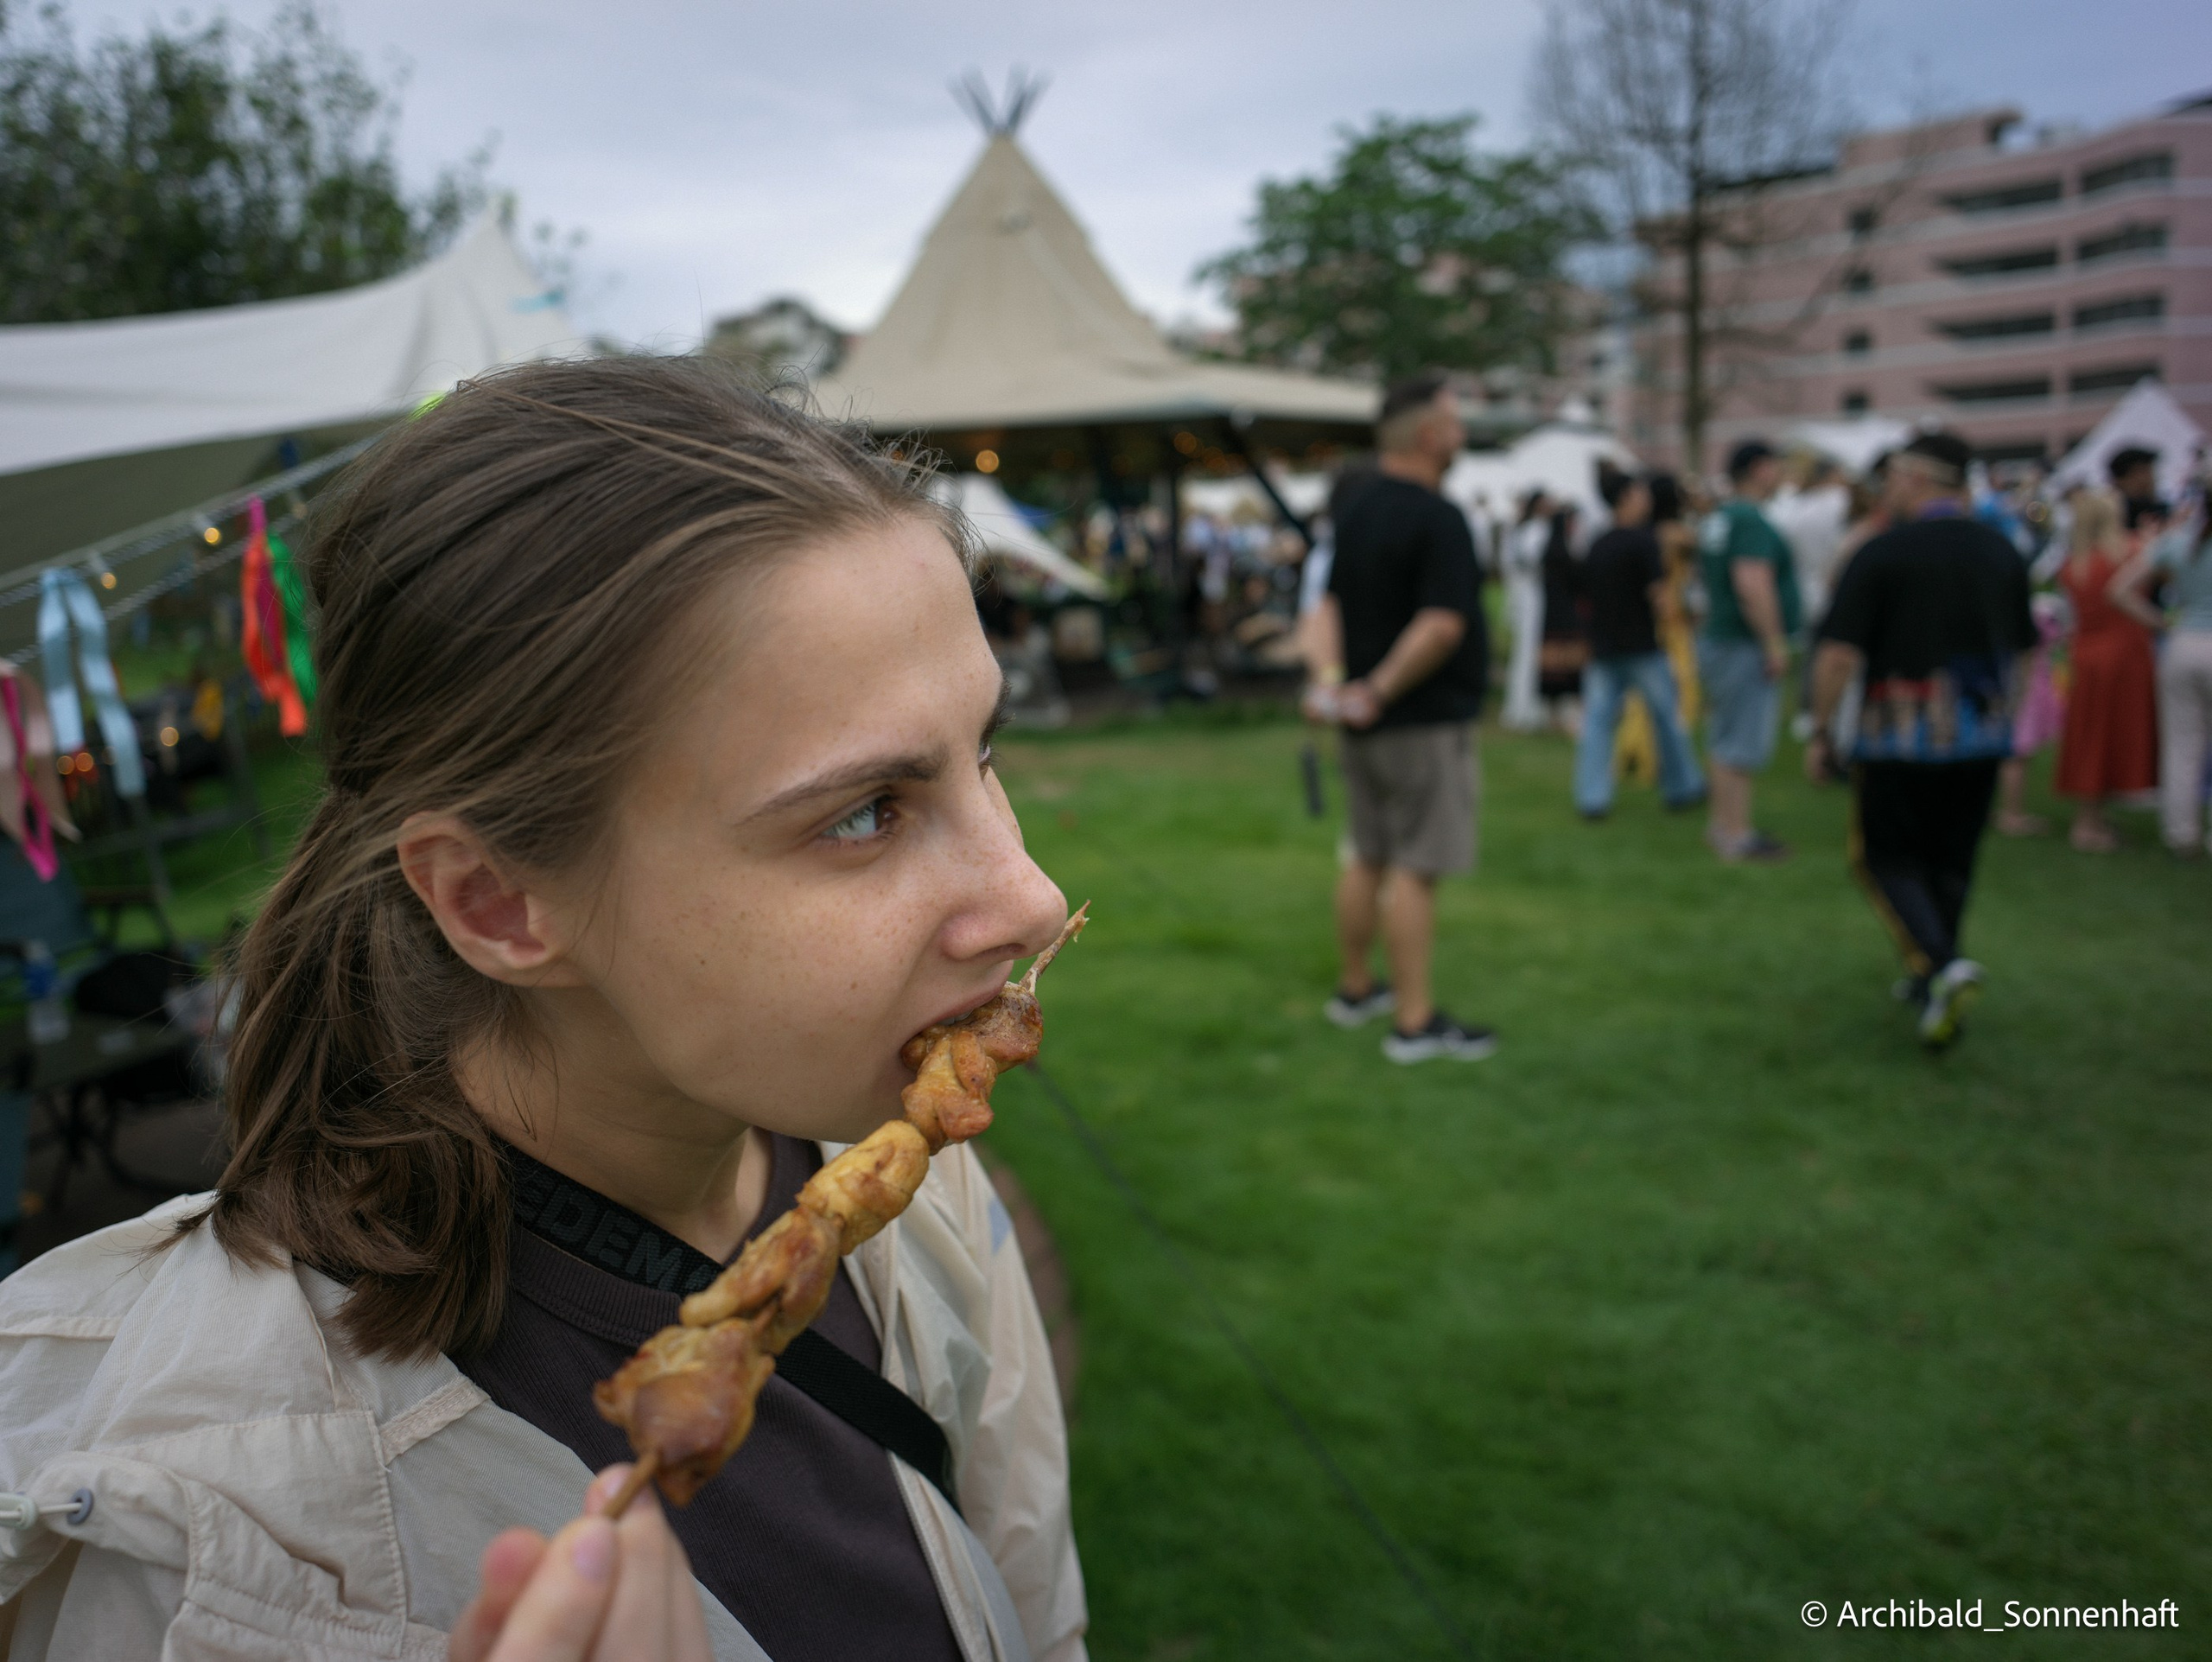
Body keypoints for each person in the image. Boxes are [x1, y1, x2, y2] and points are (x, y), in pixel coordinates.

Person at [0, 359, 1088, 1661]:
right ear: (501, 902)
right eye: (864, 812)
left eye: (984, 752)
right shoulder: (183, 1536)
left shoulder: (920, 1196)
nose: (1030, 897)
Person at [1806, 430, 2037, 1051]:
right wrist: (2010, 718)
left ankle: (1938, 964)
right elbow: (2025, 649)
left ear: (1914, 478)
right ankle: (1933, 975)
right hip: (1980, 731)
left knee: (1884, 856)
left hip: (1898, 733)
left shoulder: (1885, 552)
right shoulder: (2002, 550)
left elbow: (1837, 653)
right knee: (1950, 861)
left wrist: (1820, 727)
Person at [1305, 371, 1497, 1063]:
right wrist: (1378, 690)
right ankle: (1415, 1024)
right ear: (1427, 433)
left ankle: (1357, 989)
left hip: (1364, 722)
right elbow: (1443, 625)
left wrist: (1334, 685)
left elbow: (1324, 608)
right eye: (1454, 419)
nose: (1462, 432)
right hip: (1419, 720)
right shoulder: (1439, 515)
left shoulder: (1354, 509)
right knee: (1415, 867)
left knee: (1368, 854)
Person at [1573, 472, 1705, 818]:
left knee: (1598, 724)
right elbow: (1659, 595)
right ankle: (1682, 786)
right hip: (1642, 646)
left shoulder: (1598, 544)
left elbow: (1587, 597)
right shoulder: (1643, 542)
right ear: (1628, 498)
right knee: (1666, 717)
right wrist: (1679, 623)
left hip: (1604, 646)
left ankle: (1592, 798)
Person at [1697, 439, 1803, 861]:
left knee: (1724, 734)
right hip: (1741, 642)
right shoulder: (1750, 520)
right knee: (1740, 740)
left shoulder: (1722, 516)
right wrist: (1773, 641)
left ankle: (1722, 825)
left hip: (1720, 638)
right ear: (1760, 468)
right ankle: (1735, 833)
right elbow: (1752, 585)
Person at [2054, 488, 2161, 852]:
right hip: (2125, 653)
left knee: (2089, 734)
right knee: (2114, 733)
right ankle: (2089, 823)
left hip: (2086, 653)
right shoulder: (2130, 552)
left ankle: (2093, 817)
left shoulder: (2074, 564)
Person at [2117, 455, 2212, 856]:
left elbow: (2119, 589)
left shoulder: (2178, 539)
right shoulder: (2181, 538)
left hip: (2183, 645)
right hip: (2192, 637)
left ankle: (2181, 834)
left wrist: (2164, 625)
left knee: (2181, 745)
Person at [1500, 488, 1549, 730]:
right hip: (1532, 594)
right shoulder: (1536, 530)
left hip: (1527, 593)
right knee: (1528, 651)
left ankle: (1525, 705)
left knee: (1527, 651)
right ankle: (1523, 708)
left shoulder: (1523, 529)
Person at [1537, 503, 1587, 734]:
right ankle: (1567, 716)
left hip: (1553, 613)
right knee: (1567, 664)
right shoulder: (1561, 551)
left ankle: (1554, 715)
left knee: (1555, 666)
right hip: (1564, 614)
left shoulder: (1552, 548)